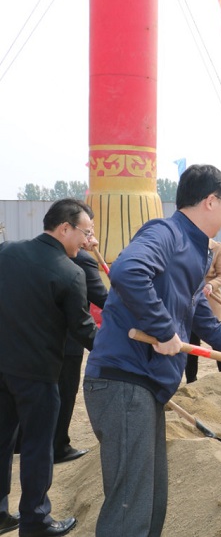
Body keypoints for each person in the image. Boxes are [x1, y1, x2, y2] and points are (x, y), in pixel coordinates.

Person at [83, 165, 221, 537]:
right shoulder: (167, 233)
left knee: (152, 504)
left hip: (146, 388)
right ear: (210, 201)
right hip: (123, 382)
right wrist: (163, 330)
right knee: (130, 509)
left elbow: (206, 325)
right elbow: (128, 271)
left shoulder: (197, 253)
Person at [0, 198, 99, 537]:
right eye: (85, 233)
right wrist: (116, 353)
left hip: (2, 366)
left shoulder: (6, 252)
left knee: (1, 441)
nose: (87, 241)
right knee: (37, 447)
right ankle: (36, 521)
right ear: (64, 228)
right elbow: (83, 329)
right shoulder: (70, 273)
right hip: (38, 375)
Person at [54, 245, 108, 465]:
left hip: (37, 337)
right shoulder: (82, 260)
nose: (92, 237)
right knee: (64, 393)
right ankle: (58, 446)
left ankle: (22, 440)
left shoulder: (37, 253)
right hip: (69, 339)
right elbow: (103, 298)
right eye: (88, 231)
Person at [184, 239, 221, 383]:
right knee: (192, 346)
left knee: (220, 344)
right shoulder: (186, 246)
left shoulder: (217, 248)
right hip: (190, 302)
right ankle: (191, 382)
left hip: (212, 301)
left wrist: (211, 285)